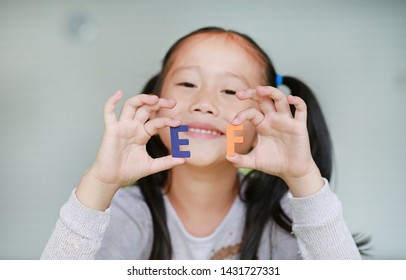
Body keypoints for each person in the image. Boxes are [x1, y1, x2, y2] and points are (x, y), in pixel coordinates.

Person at [41, 26, 362, 260]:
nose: (204, 103)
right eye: (186, 83)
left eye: (230, 91)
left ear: (261, 121)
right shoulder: (124, 215)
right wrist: (99, 185)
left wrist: (303, 178)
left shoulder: (284, 220)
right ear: (155, 101)